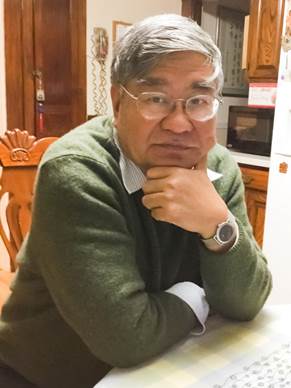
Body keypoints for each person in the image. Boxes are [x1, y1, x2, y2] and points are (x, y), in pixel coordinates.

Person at [0, 13, 272, 388]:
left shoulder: (220, 166)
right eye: (155, 98)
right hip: (49, 375)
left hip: (166, 364)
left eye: (198, 100)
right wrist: (197, 296)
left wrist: (216, 224)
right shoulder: (77, 171)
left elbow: (247, 301)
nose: (179, 124)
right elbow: (127, 338)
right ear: (117, 102)